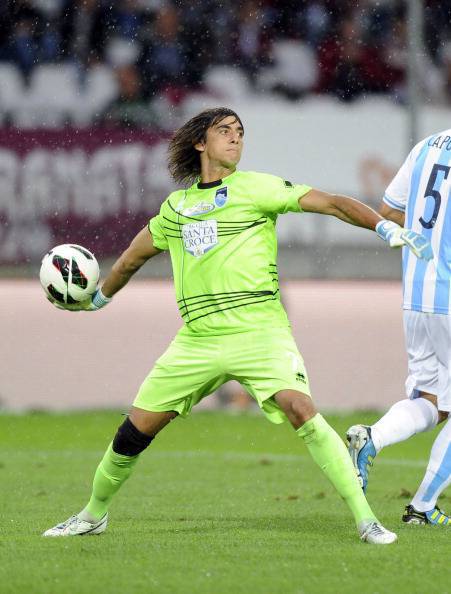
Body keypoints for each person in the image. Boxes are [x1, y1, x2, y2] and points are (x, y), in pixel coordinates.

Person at [42, 107, 432, 544]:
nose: (235, 138)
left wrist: (382, 227)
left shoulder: (257, 188)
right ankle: (92, 514)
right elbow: (131, 259)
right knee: (135, 430)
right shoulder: (176, 209)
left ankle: (366, 520)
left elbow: (333, 203)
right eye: (224, 131)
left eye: (240, 132)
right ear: (200, 143)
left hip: (259, 331)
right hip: (198, 339)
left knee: (300, 408)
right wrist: (97, 300)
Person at [347, 128, 451, 526]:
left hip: (417, 293)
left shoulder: (428, 145)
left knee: (432, 399)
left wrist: (432, 236)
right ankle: (422, 507)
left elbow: (389, 211)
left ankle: (371, 437)